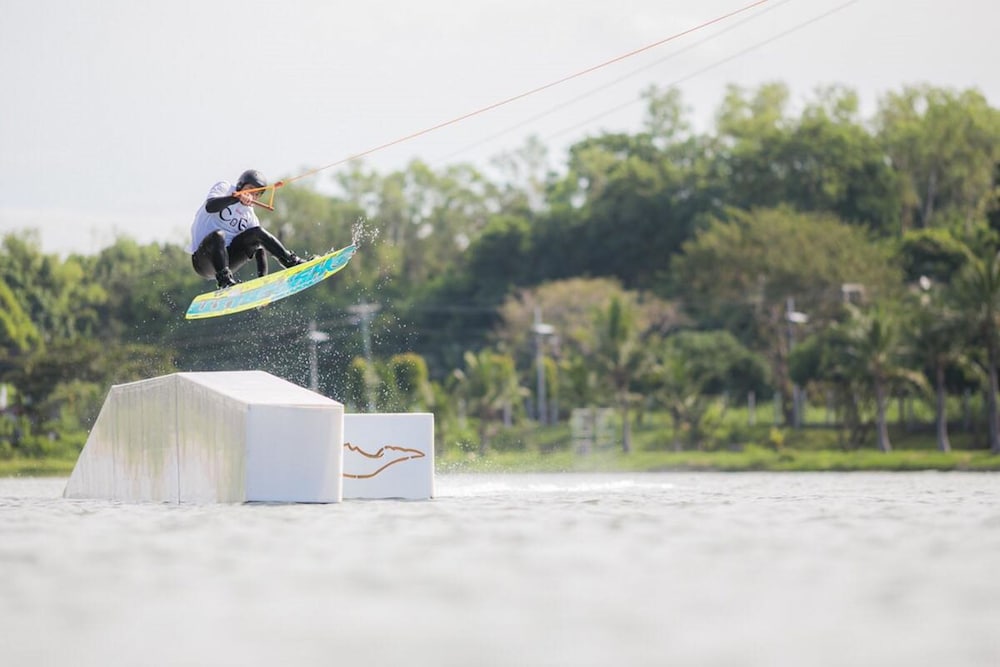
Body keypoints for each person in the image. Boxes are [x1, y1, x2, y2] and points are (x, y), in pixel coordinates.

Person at [189, 169, 308, 289]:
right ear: (240, 185)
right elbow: (210, 206)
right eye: (250, 189)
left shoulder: (250, 216)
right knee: (218, 235)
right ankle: (225, 282)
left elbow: (260, 252)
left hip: (227, 261)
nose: (252, 195)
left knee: (257, 232)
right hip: (202, 260)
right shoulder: (225, 188)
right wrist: (236, 198)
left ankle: (291, 262)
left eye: (257, 194)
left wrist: (263, 281)